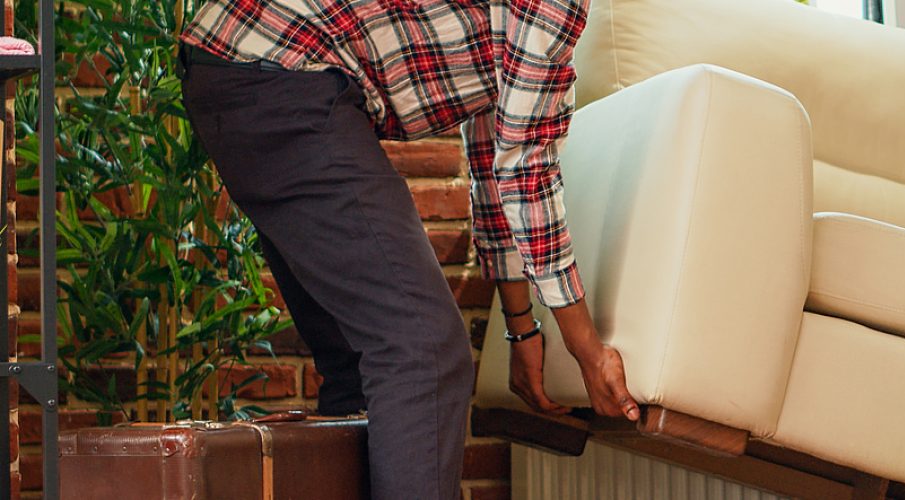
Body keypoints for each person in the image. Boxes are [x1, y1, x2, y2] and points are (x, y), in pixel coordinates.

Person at [176, 1, 639, 498]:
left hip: (234, 66)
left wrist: (522, 329)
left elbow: (493, 147)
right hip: (280, 70)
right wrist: (587, 351)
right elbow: (524, 169)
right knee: (423, 353)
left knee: (361, 366)